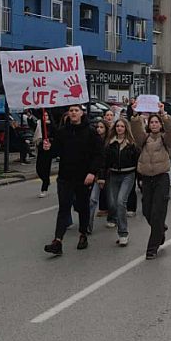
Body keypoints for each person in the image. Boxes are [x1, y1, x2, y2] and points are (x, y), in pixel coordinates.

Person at [43, 105, 104, 257]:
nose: (73, 113)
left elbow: (99, 154)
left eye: (76, 110)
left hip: (83, 177)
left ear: (82, 113)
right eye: (71, 111)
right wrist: (47, 148)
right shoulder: (62, 132)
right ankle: (58, 241)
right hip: (65, 177)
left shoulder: (91, 132)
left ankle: (83, 234)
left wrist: (92, 172)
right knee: (64, 207)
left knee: (82, 207)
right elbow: (55, 152)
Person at [130, 102, 171, 260]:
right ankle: (160, 230)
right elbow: (136, 132)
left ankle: (152, 248)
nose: (154, 124)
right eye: (152, 122)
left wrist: (164, 115)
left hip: (161, 177)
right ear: (148, 125)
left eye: (157, 122)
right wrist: (135, 115)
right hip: (147, 178)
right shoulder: (144, 139)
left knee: (158, 212)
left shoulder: (165, 139)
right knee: (147, 211)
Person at [104, 117, 139, 246]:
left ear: (126, 128)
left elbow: (137, 161)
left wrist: (140, 180)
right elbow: (105, 161)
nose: (119, 128)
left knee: (120, 202)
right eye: (117, 126)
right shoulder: (110, 144)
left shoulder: (131, 144)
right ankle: (114, 220)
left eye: (122, 126)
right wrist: (102, 176)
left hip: (128, 174)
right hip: (114, 174)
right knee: (112, 203)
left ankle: (123, 233)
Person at [88, 119, 110, 231]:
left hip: (107, 175)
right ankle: (88, 225)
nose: (99, 129)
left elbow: (105, 162)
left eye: (101, 127)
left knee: (113, 200)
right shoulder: (93, 141)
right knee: (92, 200)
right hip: (95, 175)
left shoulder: (109, 143)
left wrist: (102, 177)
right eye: (98, 127)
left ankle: (113, 218)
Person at [35, 111, 55, 198]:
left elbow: (55, 136)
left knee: (46, 169)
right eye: (44, 115)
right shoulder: (39, 125)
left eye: (46, 115)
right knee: (39, 168)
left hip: (48, 150)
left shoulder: (52, 126)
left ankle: (44, 188)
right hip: (41, 149)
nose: (45, 117)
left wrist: (50, 140)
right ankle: (46, 181)